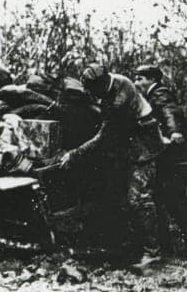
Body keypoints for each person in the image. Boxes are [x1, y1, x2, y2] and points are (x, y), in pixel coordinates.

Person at [59, 64, 153, 259]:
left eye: (92, 91)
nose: (92, 95)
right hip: (126, 146)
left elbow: (104, 137)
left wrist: (74, 154)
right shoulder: (115, 81)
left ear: (100, 85)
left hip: (143, 148)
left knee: (137, 200)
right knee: (117, 196)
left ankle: (152, 251)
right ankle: (129, 243)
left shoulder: (118, 100)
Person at [133, 64, 187, 255]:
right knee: (163, 198)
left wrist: (174, 131)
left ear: (152, 80)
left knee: (174, 199)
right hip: (168, 158)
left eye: (140, 79)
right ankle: (170, 246)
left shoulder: (159, 93)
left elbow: (170, 111)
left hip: (177, 158)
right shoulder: (149, 97)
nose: (136, 83)